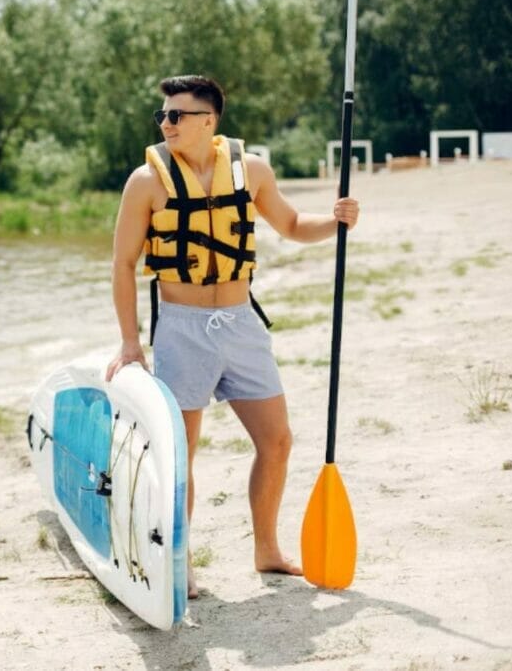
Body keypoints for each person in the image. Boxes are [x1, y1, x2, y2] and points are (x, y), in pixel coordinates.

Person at [105, 75, 359, 598]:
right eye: (163, 115)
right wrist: (131, 343)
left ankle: (267, 549)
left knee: (277, 441)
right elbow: (123, 264)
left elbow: (292, 224)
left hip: (242, 326)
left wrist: (335, 221)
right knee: (181, 454)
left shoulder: (251, 171)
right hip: (182, 330)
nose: (166, 124)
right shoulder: (145, 182)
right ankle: (179, 561)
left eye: (177, 115)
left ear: (209, 121)